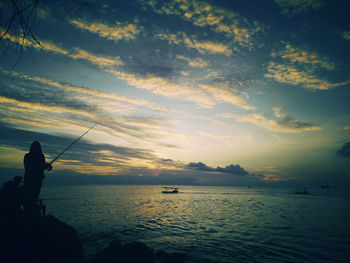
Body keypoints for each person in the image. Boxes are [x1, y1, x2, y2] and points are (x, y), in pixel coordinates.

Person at [23, 141, 52, 210]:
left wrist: (46, 165)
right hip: (37, 179)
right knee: (35, 194)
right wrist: (47, 166)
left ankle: (28, 208)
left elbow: (37, 166)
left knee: (29, 194)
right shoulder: (41, 156)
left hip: (28, 179)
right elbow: (40, 166)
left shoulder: (27, 156)